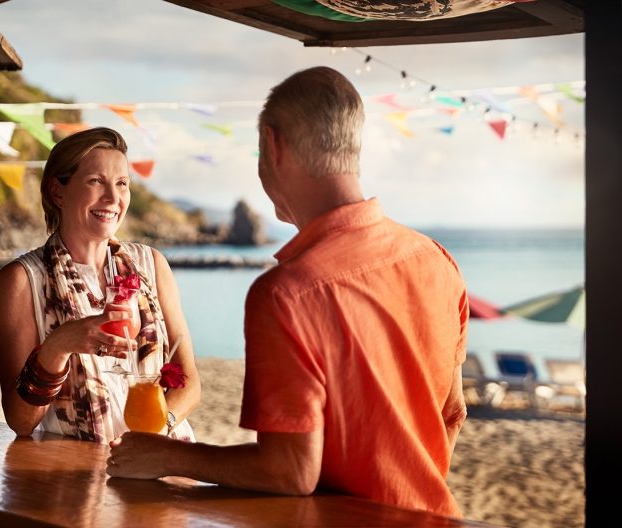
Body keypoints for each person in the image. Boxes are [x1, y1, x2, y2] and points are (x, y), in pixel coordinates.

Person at [107, 67, 468, 518]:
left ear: (272, 146)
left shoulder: (286, 293)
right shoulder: (437, 260)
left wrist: (167, 455)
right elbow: (453, 414)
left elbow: (289, 471)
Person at [0, 126, 200, 443]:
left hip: (163, 453)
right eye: (96, 182)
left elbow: (188, 381)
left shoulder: (151, 265)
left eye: (122, 184)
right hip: (77, 469)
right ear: (57, 192)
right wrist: (57, 347)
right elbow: (21, 421)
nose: (113, 198)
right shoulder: (21, 280)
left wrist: (158, 430)